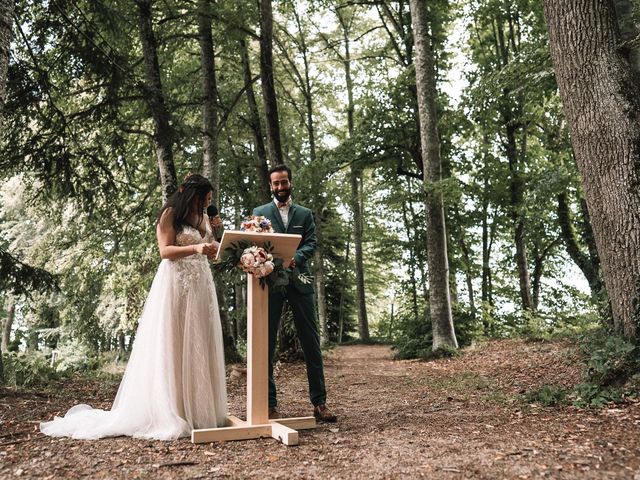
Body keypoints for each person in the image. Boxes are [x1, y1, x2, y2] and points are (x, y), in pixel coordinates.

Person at [40, 174, 228, 440]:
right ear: (191, 195)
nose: (207, 203)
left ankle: (199, 409)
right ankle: (175, 409)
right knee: (176, 341)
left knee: (199, 341)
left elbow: (212, 246)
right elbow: (164, 251)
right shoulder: (170, 214)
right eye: (203, 199)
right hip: (176, 283)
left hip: (201, 284)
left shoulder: (205, 217)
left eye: (209, 200)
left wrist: (219, 241)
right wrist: (198, 248)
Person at [253, 164, 337, 422]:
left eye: (284, 182)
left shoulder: (305, 214)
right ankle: (268, 404)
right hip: (271, 282)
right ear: (270, 185)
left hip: (301, 281)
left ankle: (319, 402)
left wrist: (295, 258)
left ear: (290, 182)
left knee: (311, 342)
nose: (280, 187)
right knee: (266, 344)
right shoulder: (260, 213)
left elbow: (311, 243)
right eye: (276, 183)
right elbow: (254, 244)